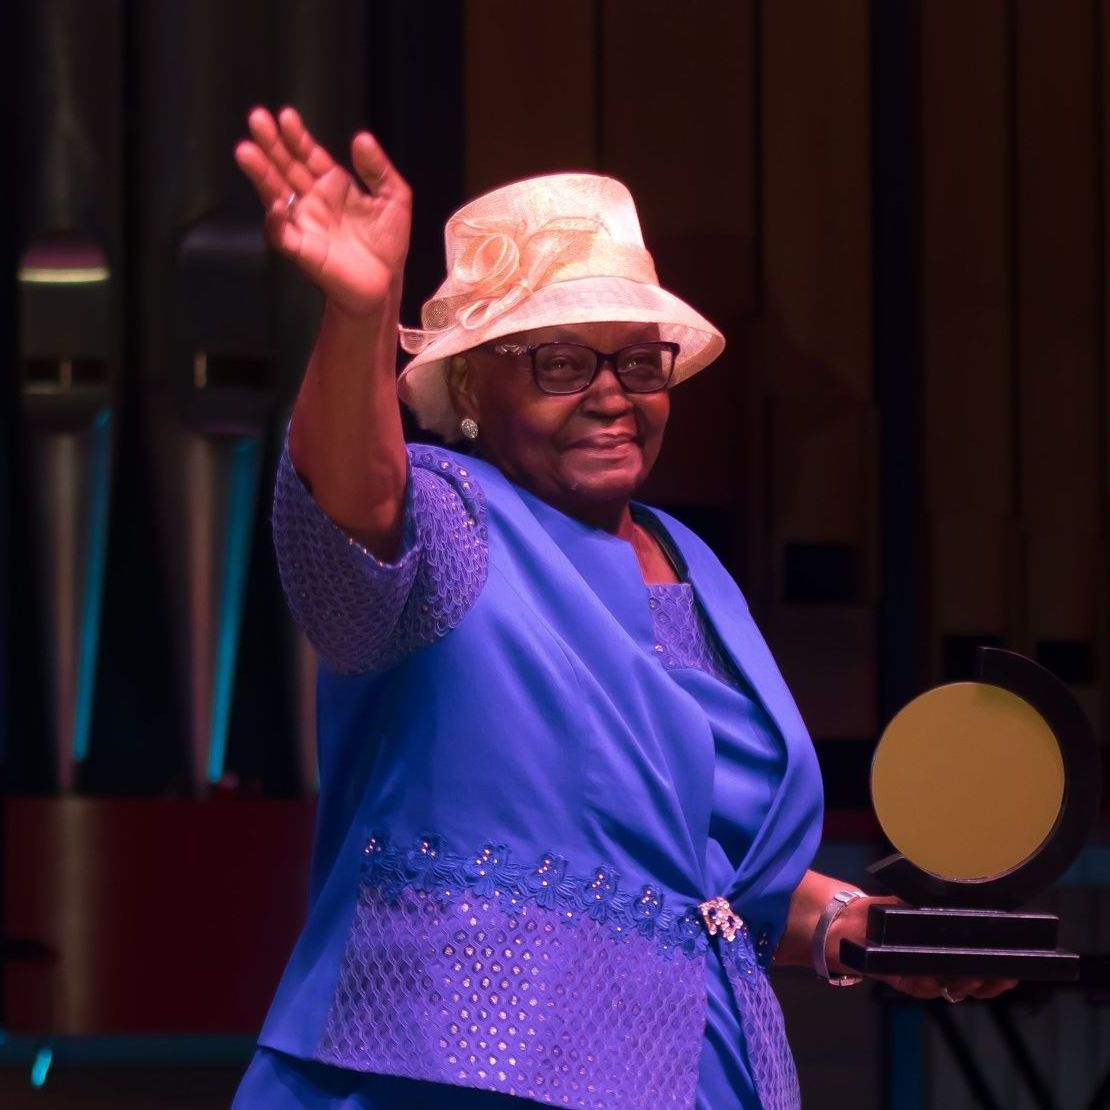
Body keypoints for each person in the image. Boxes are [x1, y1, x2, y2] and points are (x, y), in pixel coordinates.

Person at [231, 106, 1015, 1110]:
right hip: (447, 1081)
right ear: (470, 382)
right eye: (560, 363)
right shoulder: (452, 519)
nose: (611, 394)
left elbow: (695, 878)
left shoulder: (695, 567)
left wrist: (854, 927)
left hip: (699, 1076)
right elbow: (357, 503)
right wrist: (358, 317)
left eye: (638, 362)